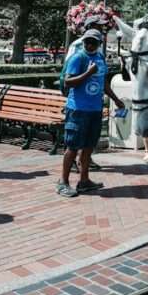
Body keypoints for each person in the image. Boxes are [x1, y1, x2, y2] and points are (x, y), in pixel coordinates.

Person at [56, 29, 124, 198]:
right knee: (72, 146)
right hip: (78, 108)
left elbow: (104, 83)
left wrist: (116, 99)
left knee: (88, 146)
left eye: (93, 42)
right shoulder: (79, 57)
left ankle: (84, 181)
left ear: (99, 44)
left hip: (95, 109)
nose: (90, 44)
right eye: (87, 41)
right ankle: (62, 182)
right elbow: (68, 82)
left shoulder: (100, 58)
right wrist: (88, 73)